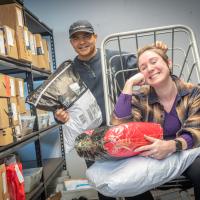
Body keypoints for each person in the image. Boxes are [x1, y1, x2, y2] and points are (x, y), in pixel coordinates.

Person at [54, 20, 153, 200]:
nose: (82, 42)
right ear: (71, 42)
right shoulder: (69, 72)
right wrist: (59, 116)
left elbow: (148, 67)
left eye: (86, 36)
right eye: (76, 38)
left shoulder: (116, 58)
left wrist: (157, 55)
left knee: (136, 185)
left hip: (122, 132)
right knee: (105, 188)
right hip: (90, 137)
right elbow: (59, 107)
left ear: (95, 37)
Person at [112, 42, 200, 199]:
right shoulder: (141, 98)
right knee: (130, 184)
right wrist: (129, 84)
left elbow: (196, 130)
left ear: (168, 63)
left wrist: (171, 146)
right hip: (151, 157)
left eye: (154, 62)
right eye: (143, 67)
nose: (150, 69)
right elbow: (120, 128)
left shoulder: (193, 92)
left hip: (186, 154)